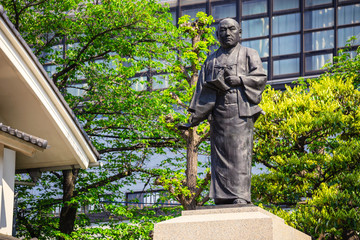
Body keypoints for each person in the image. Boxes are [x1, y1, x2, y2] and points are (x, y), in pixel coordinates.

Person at [180, 18, 267, 205]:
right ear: (217, 34)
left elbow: (260, 77)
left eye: (231, 29)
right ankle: (221, 196)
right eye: (222, 30)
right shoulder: (211, 60)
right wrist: (193, 119)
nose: (227, 33)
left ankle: (241, 196)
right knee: (219, 157)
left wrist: (241, 80)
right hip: (218, 115)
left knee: (239, 155)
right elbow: (202, 91)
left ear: (240, 33)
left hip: (240, 113)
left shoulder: (249, 54)